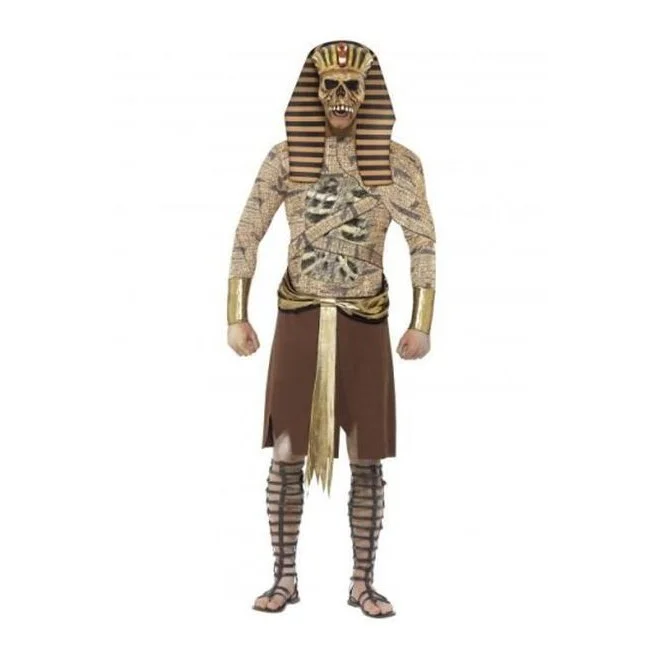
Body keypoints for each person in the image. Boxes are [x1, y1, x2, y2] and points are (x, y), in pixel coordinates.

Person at [226, 40, 436, 618]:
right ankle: (285, 577)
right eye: (330, 87)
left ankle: (362, 582)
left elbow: (423, 241)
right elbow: (248, 231)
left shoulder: (398, 163)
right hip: (298, 318)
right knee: (286, 455)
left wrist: (422, 321)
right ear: (314, 94)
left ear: (368, 96)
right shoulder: (285, 158)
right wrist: (236, 312)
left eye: (352, 87)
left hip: (365, 321)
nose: (341, 98)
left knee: (367, 460)